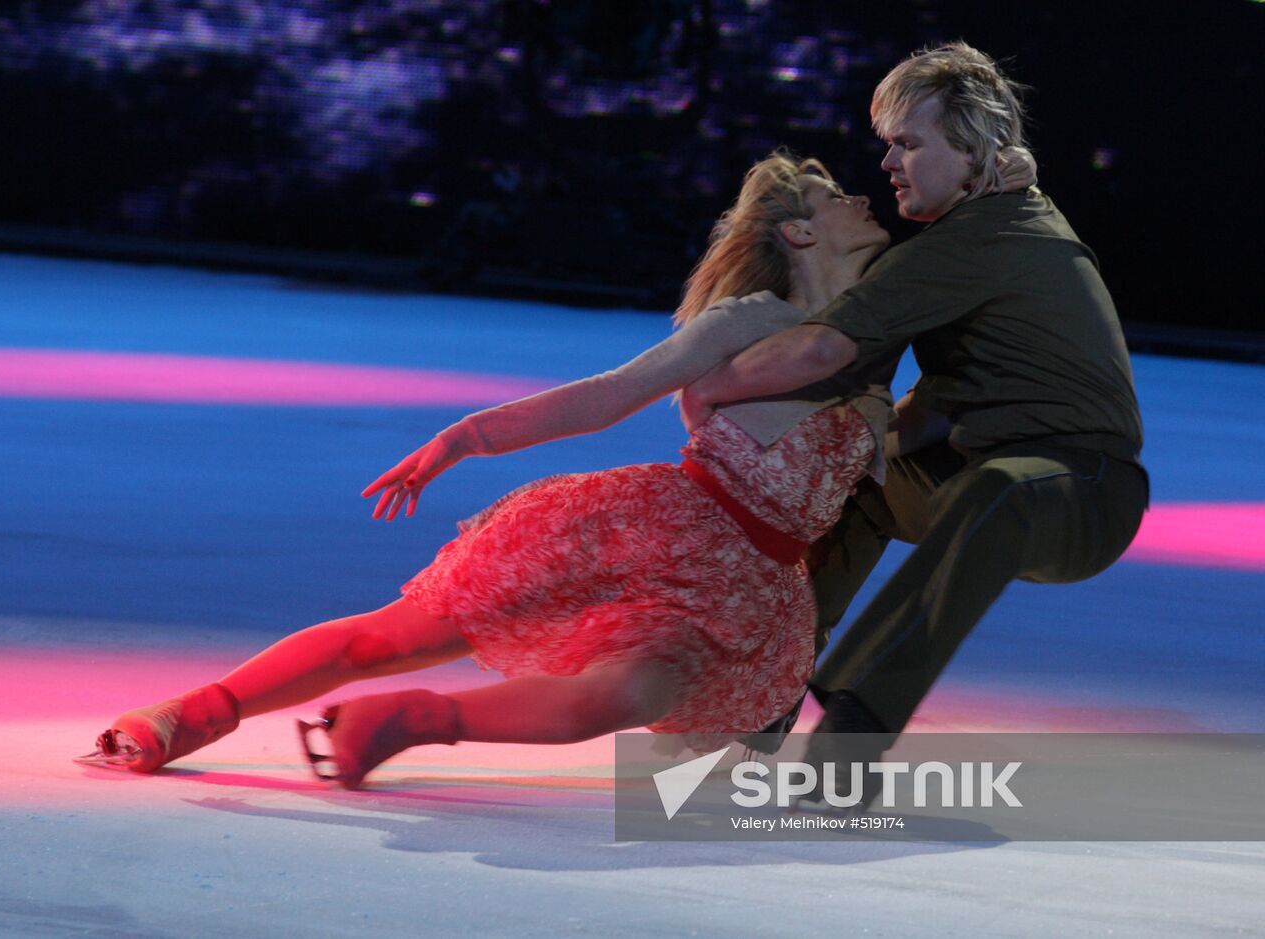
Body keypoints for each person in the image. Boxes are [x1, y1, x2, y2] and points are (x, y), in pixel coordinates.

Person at [77, 153, 902, 789]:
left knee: (615, 703)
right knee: (394, 635)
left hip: (748, 586)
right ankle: (198, 713)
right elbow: (612, 393)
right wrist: (468, 436)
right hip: (656, 532)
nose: (864, 198)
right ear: (798, 233)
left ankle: (406, 720)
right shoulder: (756, 319)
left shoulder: (875, 363)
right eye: (838, 199)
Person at [683, 43, 1148, 801]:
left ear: (969, 148)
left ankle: (845, 752)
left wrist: (705, 383)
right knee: (855, 492)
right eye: (888, 144)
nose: (890, 163)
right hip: (985, 472)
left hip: (1084, 492)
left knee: (996, 490)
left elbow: (821, 346)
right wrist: (838, 464)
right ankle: (756, 714)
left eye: (909, 143)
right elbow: (928, 412)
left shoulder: (981, 237)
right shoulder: (988, 217)